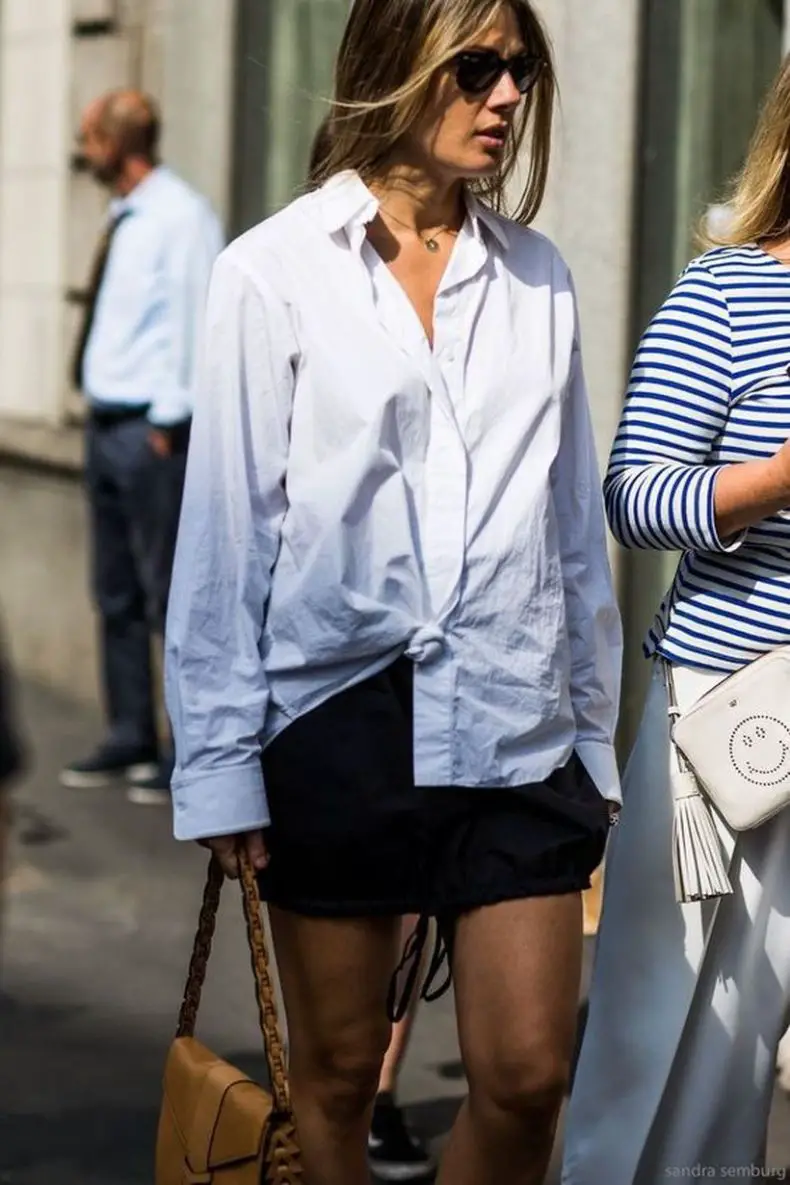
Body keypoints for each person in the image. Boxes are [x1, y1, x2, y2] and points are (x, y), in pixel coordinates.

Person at [165, 2, 622, 1183]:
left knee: (524, 1081)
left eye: (518, 70)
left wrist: (592, 740)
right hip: (337, 723)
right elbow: (227, 532)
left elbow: (572, 526)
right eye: (477, 68)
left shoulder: (538, 279)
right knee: (330, 1079)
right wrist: (219, 762)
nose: (506, 96)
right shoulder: (269, 273)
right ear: (392, 70)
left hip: (517, 725)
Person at [563, 54, 790, 1185]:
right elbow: (635, 492)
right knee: (674, 1054)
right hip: (735, 726)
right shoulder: (730, 293)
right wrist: (774, 479)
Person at [61, 90, 223, 803]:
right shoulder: (124, 215)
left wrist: (169, 421)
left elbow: (197, 317)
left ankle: (183, 752)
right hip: (107, 425)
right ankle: (130, 733)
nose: (80, 145)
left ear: (117, 143)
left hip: (153, 434)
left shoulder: (180, 217)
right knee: (116, 590)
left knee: (169, 595)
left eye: (89, 134)